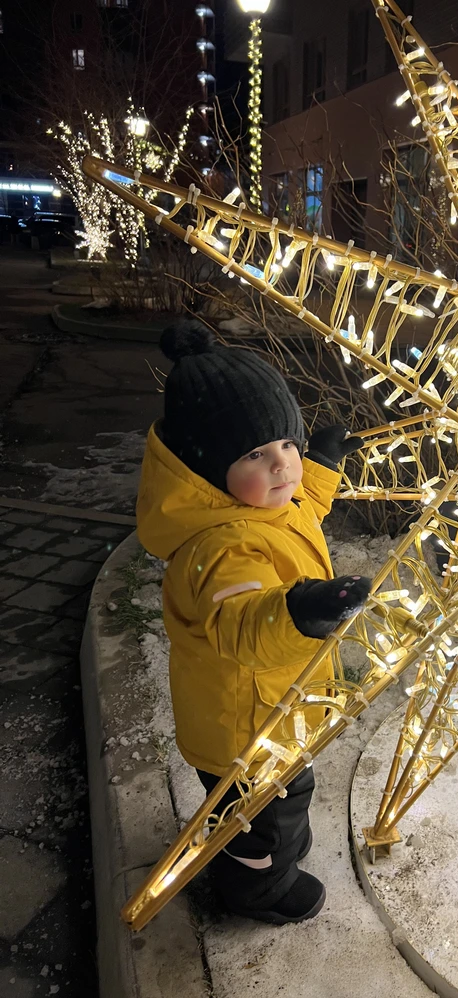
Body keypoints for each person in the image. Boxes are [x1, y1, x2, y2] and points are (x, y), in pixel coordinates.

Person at [136, 318, 371, 925]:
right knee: (260, 819)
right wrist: (299, 610)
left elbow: (304, 504)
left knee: (281, 799)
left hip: (271, 710)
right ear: (209, 470)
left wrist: (319, 462)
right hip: (244, 728)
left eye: (287, 445)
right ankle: (255, 887)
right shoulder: (223, 549)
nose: (283, 467)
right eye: (257, 454)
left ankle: (265, 850)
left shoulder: (263, 504)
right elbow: (242, 625)